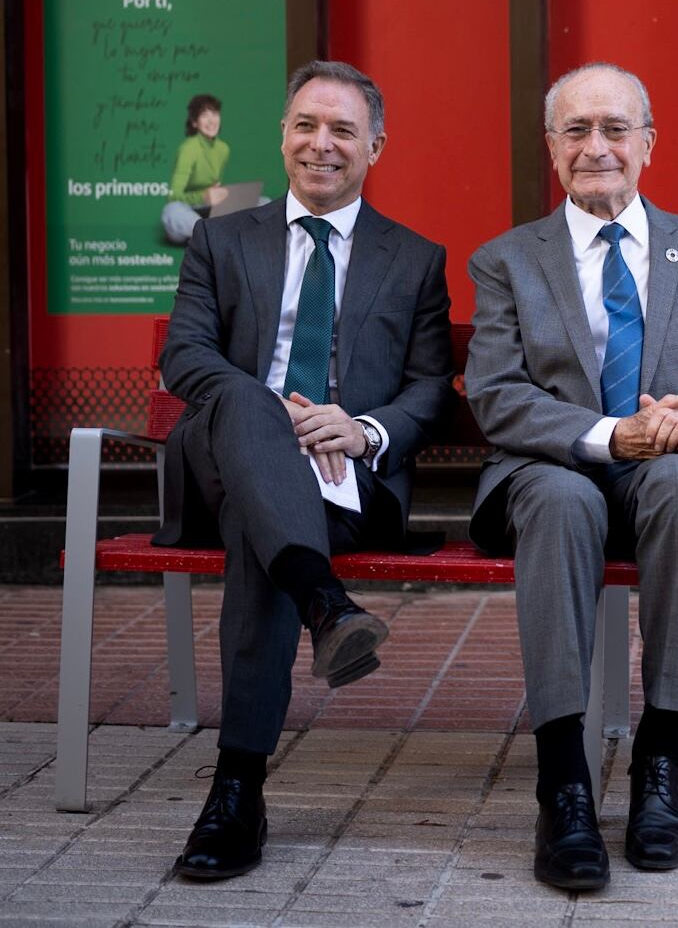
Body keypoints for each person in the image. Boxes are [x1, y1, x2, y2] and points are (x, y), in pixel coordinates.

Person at [465, 62, 678, 891]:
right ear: (551, 147)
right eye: (576, 131)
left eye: (614, 129)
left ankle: (660, 764)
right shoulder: (506, 260)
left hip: (673, 477)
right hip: (552, 472)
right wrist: (616, 435)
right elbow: (497, 394)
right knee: (564, 497)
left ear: (648, 142)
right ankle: (563, 781)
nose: (596, 147)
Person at [155, 60, 455, 880]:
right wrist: (268, 412)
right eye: (305, 126)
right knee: (250, 409)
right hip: (221, 466)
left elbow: (431, 385)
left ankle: (236, 793)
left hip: (342, 484)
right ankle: (324, 603)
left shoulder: (415, 259)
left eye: (343, 130)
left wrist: (361, 429)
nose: (321, 144)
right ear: (283, 134)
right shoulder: (223, 237)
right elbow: (185, 354)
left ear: (376, 146)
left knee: (268, 530)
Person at [161, 94, 232, 245]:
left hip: (211, 211)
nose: (211, 120)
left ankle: (208, 235)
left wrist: (220, 195)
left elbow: (214, 186)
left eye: (214, 114)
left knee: (263, 202)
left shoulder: (223, 149)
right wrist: (203, 196)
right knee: (171, 212)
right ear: (194, 123)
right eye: (205, 115)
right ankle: (211, 237)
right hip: (189, 209)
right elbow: (173, 196)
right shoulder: (188, 149)